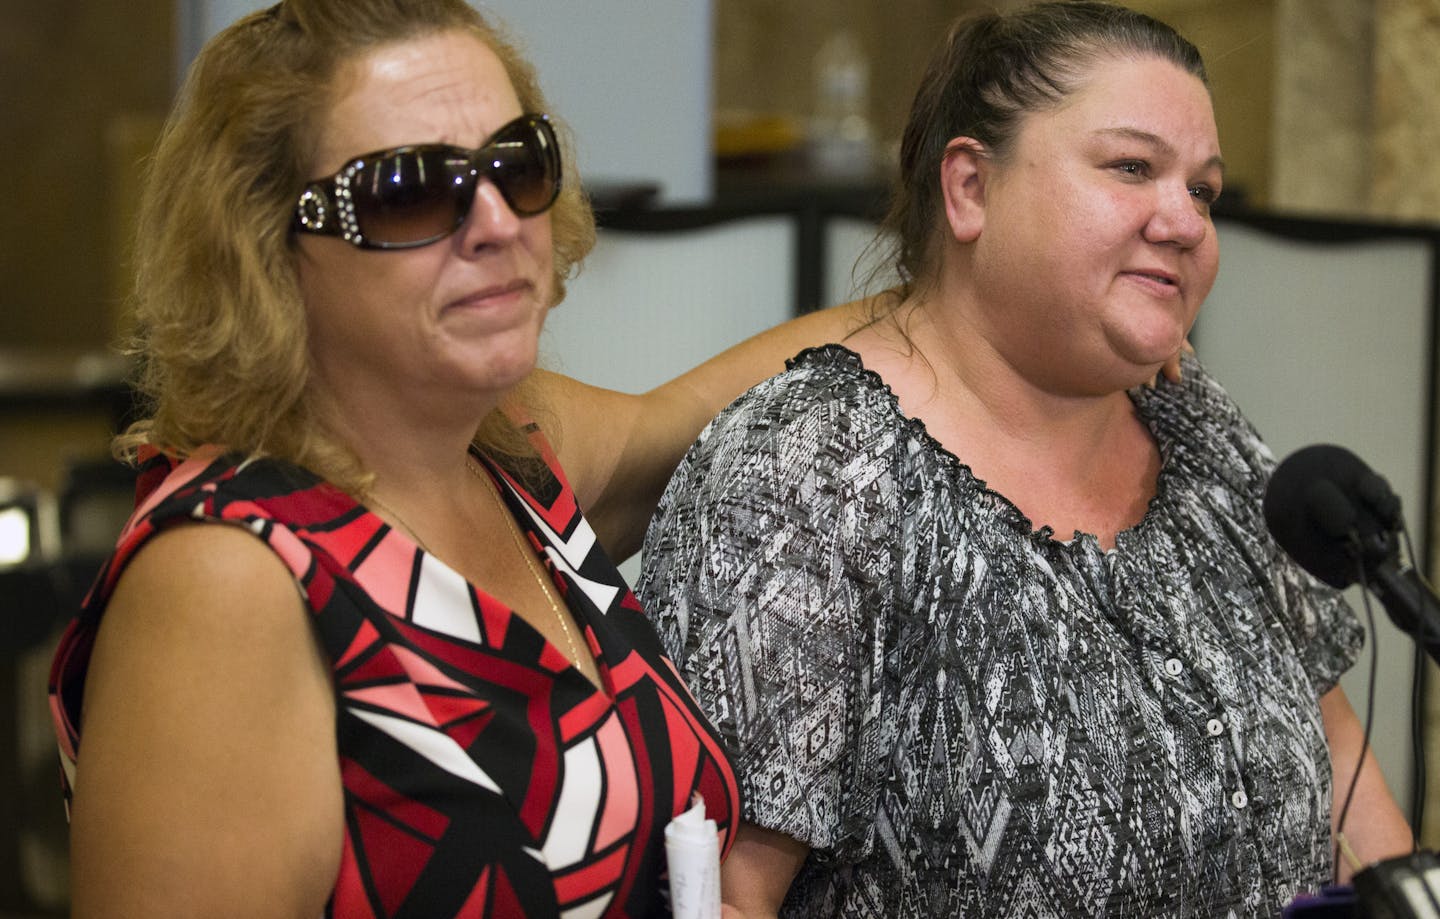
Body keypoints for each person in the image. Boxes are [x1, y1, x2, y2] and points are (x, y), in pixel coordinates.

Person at [44, 1, 869, 915]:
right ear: (265, 250)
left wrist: (958, 315)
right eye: (409, 191)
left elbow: (715, 403)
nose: (496, 223)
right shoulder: (227, 580)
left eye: (516, 165)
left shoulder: (501, 446)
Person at [638, 3, 1415, 917]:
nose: (1186, 221)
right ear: (968, 188)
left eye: (1202, 190)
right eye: (1133, 168)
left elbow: (1344, 777)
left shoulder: (1191, 419)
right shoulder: (808, 471)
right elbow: (721, 895)